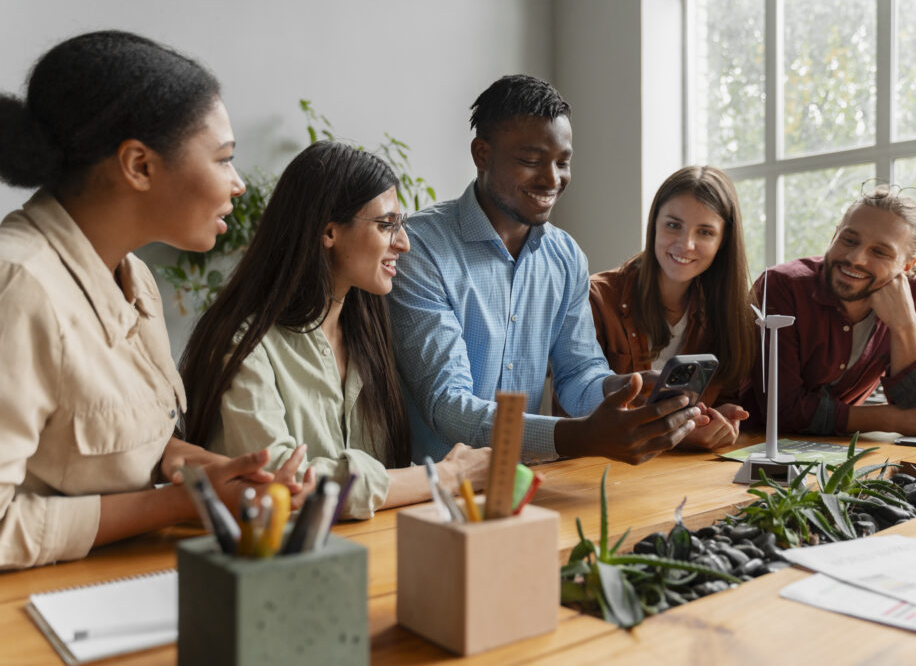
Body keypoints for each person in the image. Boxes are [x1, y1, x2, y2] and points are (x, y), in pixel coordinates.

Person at [0, 30, 310, 570]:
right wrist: (186, 501)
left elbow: (119, 443)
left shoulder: (132, 274)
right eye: (223, 159)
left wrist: (215, 472)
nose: (238, 184)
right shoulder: (19, 285)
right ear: (139, 165)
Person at [388, 74, 701, 466]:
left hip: (525, 488)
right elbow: (448, 406)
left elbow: (579, 372)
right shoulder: (419, 249)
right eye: (531, 161)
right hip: (430, 495)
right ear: (482, 154)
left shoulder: (566, 256)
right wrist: (578, 436)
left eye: (563, 162)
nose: (552, 179)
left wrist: (624, 390)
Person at [180, 141, 491, 519]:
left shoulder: (370, 336)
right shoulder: (246, 346)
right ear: (329, 232)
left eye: (401, 225)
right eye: (386, 225)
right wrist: (447, 474)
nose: (404, 243)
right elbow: (279, 483)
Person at [739, 182, 916, 437]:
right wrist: (889, 420)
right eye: (849, 239)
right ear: (834, 236)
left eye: (880, 252)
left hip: (841, 450)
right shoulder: (782, 285)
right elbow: (782, 411)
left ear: (906, 266)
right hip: (751, 445)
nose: (856, 258)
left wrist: (905, 324)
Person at [588, 166, 755, 450]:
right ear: (654, 224)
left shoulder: (725, 312)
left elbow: (725, 394)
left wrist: (718, 418)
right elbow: (579, 414)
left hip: (681, 475)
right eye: (673, 225)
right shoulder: (597, 299)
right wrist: (676, 435)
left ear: (722, 241)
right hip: (598, 473)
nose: (686, 244)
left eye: (704, 232)